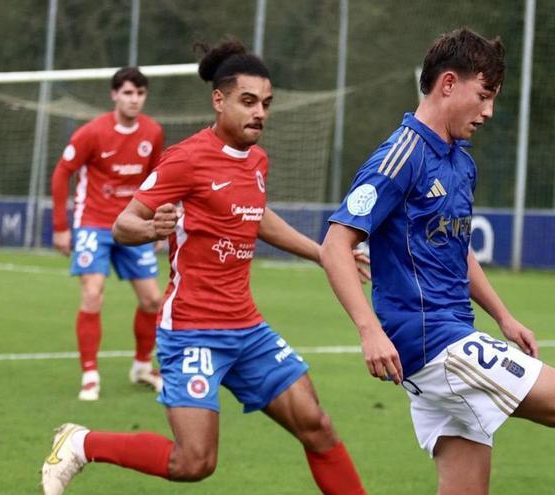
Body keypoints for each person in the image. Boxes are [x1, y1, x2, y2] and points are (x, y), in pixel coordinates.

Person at [321, 28, 555, 495]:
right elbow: (336, 244)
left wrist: (504, 316)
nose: (489, 112)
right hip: (431, 339)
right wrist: (369, 330)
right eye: (484, 95)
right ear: (448, 83)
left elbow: (457, 248)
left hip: (450, 333)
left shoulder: (459, 160)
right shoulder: (400, 155)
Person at [41, 40, 368, 495]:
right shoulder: (185, 158)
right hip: (193, 330)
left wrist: (322, 252)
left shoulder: (257, 160)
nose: (259, 113)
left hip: (247, 328)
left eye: (266, 104)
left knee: (317, 425)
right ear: (220, 100)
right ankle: (81, 443)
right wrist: (154, 227)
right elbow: (122, 224)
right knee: (193, 462)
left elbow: (257, 215)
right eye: (248, 102)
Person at [50, 66, 165, 400]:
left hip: (132, 224)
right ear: (115, 95)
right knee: (92, 293)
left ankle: (142, 366)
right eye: (128, 93)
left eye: (140, 93)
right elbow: (62, 174)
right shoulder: (92, 132)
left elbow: (157, 179)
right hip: (94, 224)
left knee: (153, 300)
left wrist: (155, 224)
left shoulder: (152, 133)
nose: (134, 100)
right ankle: (90, 374)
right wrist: (60, 227)